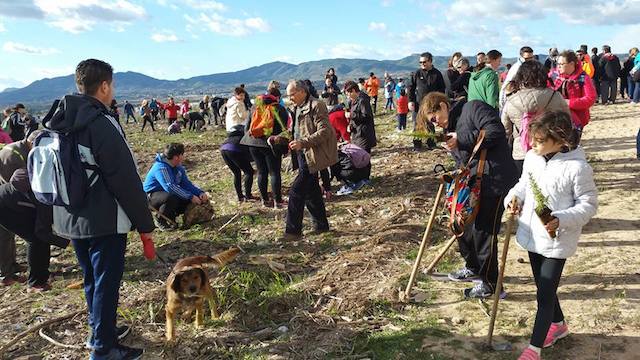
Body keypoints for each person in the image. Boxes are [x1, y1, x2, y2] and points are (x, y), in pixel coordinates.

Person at [45, 59, 156, 359]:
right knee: (107, 281)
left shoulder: (60, 120)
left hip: (70, 214)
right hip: (104, 218)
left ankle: (100, 329)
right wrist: (145, 225)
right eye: (113, 85)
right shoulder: (100, 122)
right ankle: (103, 348)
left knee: (92, 278)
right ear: (104, 86)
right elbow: (124, 178)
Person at [504, 111, 597, 360]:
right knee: (545, 287)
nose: (532, 145)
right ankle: (559, 325)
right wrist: (513, 199)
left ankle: (534, 349)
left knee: (544, 293)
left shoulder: (578, 168)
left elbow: (589, 204)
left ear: (560, 139)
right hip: (532, 234)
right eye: (532, 140)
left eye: (539, 141)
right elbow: (522, 184)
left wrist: (561, 219)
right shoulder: (533, 158)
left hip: (557, 239)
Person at [418, 92, 518, 299]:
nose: (436, 124)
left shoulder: (473, 108)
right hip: (472, 184)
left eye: (435, 118)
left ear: (443, 106)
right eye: (432, 123)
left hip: (494, 180)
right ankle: (472, 267)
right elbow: (464, 159)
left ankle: (490, 284)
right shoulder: (450, 128)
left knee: (484, 232)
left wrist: (461, 139)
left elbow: (495, 131)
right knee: (462, 226)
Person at [280, 80, 337, 241]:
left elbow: (325, 131)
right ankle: (321, 226)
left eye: (292, 95)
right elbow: (297, 132)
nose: (290, 98)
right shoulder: (295, 108)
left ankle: (292, 232)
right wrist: (281, 139)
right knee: (311, 192)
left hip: (311, 154)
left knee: (296, 192)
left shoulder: (316, 105)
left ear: (302, 92)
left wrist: (303, 143)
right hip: (301, 154)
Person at [0, 167, 69, 292]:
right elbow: (42, 232)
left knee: (40, 238)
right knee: (36, 239)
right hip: (4, 207)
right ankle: (35, 283)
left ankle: (41, 276)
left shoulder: (50, 185)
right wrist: (68, 243)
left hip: (16, 204)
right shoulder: (44, 195)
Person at [501, 61, 570, 175]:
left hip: (521, 151)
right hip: (551, 148)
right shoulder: (555, 96)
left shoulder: (511, 101)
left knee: (526, 187)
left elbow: (505, 129)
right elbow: (567, 121)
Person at [240, 88, 288, 208]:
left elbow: (247, 128)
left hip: (253, 143)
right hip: (271, 143)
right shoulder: (279, 108)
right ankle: (278, 201)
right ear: (276, 97)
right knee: (274, 173)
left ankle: (265, 201)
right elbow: (284, 129)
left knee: (261, 172)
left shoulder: (255, 107)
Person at [144, 142, 208, 230]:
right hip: (152, 197)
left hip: (166, 194)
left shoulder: (178, 168)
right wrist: (190, 196)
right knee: (171, 197)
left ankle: (174, 217)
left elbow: (186, 184)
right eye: (182, 155)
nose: (183, 157)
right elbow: (170, 187)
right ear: (176, 157)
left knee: (187, 198)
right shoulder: (161, 168)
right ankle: (160, 219)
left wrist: (199, 193)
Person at [548, 50, 597, 143]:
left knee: (572, 145)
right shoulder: (552, 76)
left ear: (571, 64)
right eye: (557, 63)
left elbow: (590, 98)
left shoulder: (583, 77)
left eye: (562, 64)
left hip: (577, 119)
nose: (559, 66)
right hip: (554, 117)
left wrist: (569, 103)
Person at [407, 52, 446, 150]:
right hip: (418, 104)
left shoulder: (437, 74)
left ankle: (431, 143)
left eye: (424, 62)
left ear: (430, 61)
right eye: (420, 62)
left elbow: (441, 89)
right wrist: (410, 100)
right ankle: (417, 145)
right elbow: (410, 87)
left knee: (430, 124)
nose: (422, 64)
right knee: (418, 124)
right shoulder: (417, 73)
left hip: (432, 105)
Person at [221, 122, 255, 203]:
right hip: (235, 149)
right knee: (249, 172)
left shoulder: (231, 137)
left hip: (223, 149)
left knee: (236, 173)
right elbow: (250, 153)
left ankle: (240, 196)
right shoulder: (245, 137)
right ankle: (248, 195)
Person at [344, 80, 377, 153]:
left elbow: (366, 116)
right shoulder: (353, 100)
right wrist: (350, 125)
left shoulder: (363, 100)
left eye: (348, 94)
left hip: (364, 135)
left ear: (353, 90)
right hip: (357, 134)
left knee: (364, 159)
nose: (348, 96)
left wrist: (351, 115)